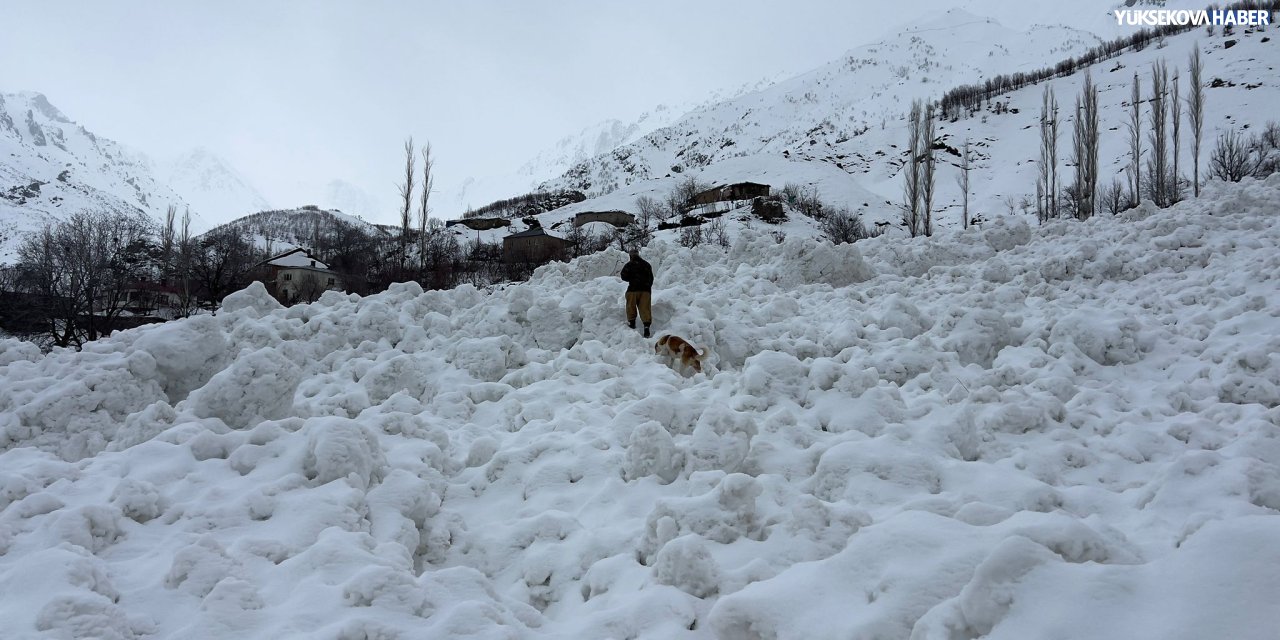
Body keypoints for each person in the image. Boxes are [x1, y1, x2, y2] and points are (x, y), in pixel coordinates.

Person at [620, 248, 653, 338]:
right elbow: (651, 278)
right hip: (645, 290)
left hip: (633, 290)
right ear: (638, 255)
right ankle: (646, 327)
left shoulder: (629, 265)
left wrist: (632, 278)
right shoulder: (646, 265)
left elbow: (623, 276)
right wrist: (646, 286)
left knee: (630, 306)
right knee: (645, 308)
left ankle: (632, 323)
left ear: (630, 256)